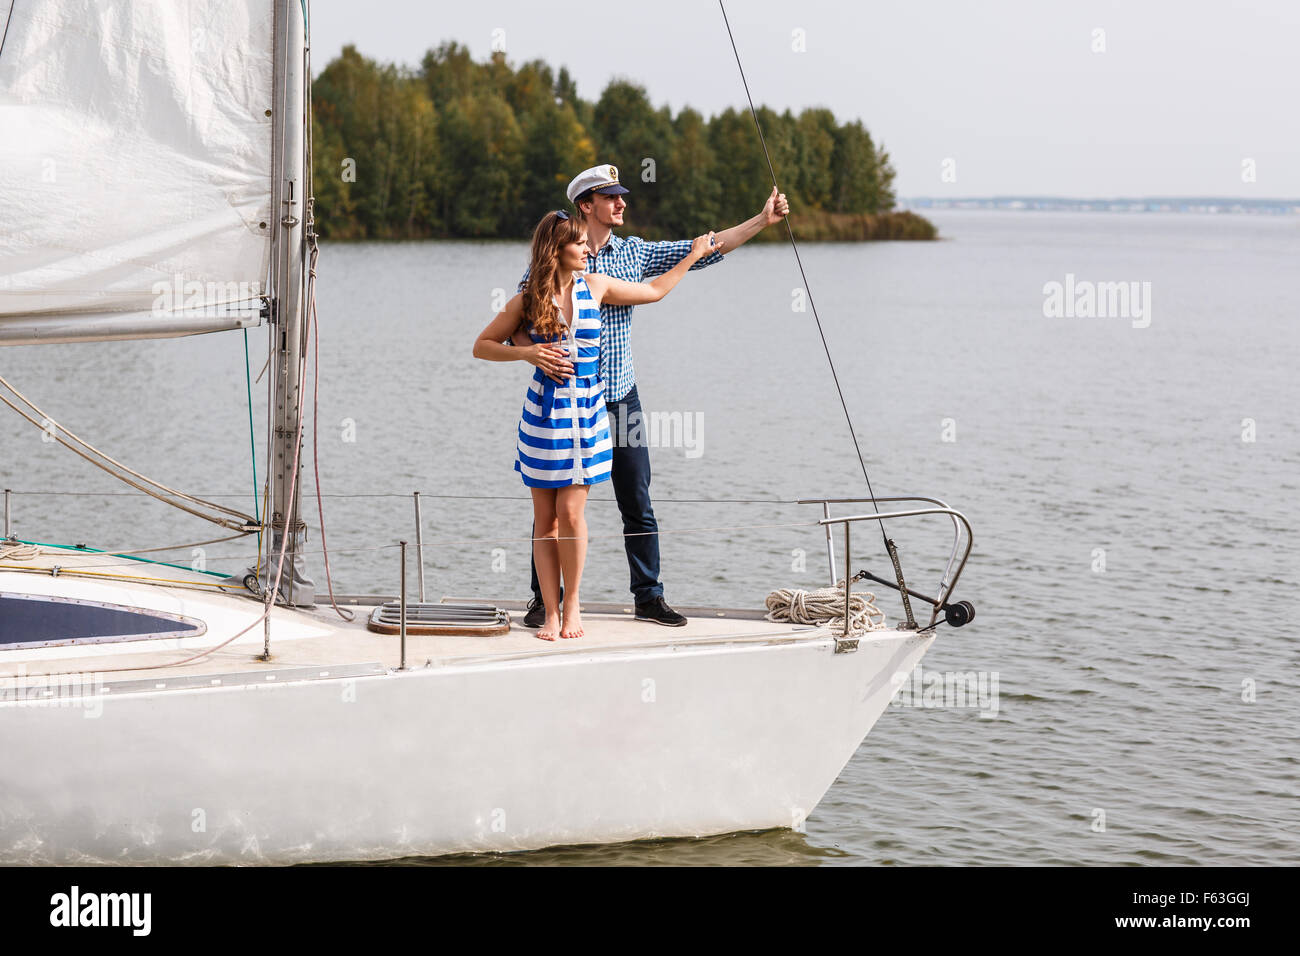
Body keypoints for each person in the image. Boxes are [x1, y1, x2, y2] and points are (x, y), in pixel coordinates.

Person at [516, 163, 790, 628]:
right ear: (587, 205)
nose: (622, 203)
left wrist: (761, 220)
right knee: (556, 508)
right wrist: (535, 356)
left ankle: (648, 597)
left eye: (622, 196)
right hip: (566, 405)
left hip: (619, 397)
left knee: (636, 498)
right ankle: (545, 602)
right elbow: (520, 326)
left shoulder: (633, 254)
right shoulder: (556, 256)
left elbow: (704, 248)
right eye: (611, 197)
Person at [474, 210, 720, 641]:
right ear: (557, 250)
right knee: (544, 520)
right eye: (579, 244)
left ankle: (573, 606)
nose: (589, 249)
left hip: (589, 414)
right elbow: (483, 345)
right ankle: (549, 611)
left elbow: (655, 291)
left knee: (571, 513)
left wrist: (694, 254)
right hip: (544, 418)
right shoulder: (528, 299)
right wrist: (527, 354)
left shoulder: (596, 286)